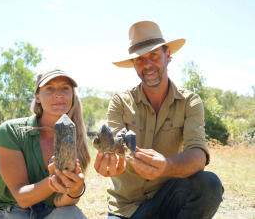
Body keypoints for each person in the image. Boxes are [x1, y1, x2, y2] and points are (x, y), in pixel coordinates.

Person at [94, 21, 224, 218]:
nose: (147, 64)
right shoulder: (120, 102)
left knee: (209, 184)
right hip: (125, 208)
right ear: (133, 64)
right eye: (139, 59)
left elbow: (198, 155)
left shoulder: (190, 101)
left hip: (169, 198)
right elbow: (114, 148)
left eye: (154, 55)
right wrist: (110, 163)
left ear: (168, 55)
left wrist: (166, 166)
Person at [0, 66, 90, 219]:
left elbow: (61, 201)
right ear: (37, 97)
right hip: (11, 211)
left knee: (71, 213)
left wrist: (75, 188)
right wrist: (53, 181)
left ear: (72, 95)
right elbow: (22, 198)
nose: (59, 95)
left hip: (49, 212)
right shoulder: (11, 131)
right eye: (50, 88)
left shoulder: (74, 136)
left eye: (65, 88)